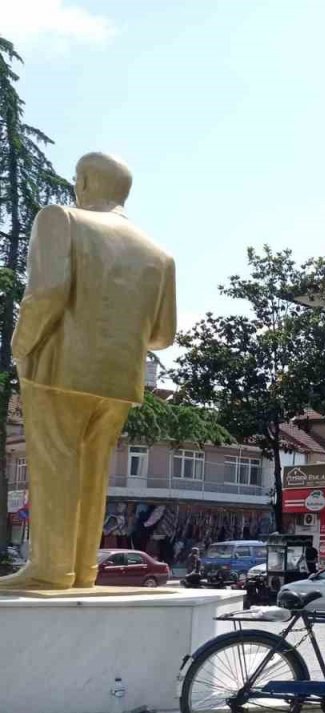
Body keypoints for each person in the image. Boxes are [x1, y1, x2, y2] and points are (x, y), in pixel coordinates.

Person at [1, 152, 176, 591]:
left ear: (83, 182)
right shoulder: (158, 254)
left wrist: (19, 347)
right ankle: (81, 570)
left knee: (55, 462)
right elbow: (162, 336)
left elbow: (46, 293)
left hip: (58, 366)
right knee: (94, 472)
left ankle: (49, 568)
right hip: (119, 380)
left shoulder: (62, 219)